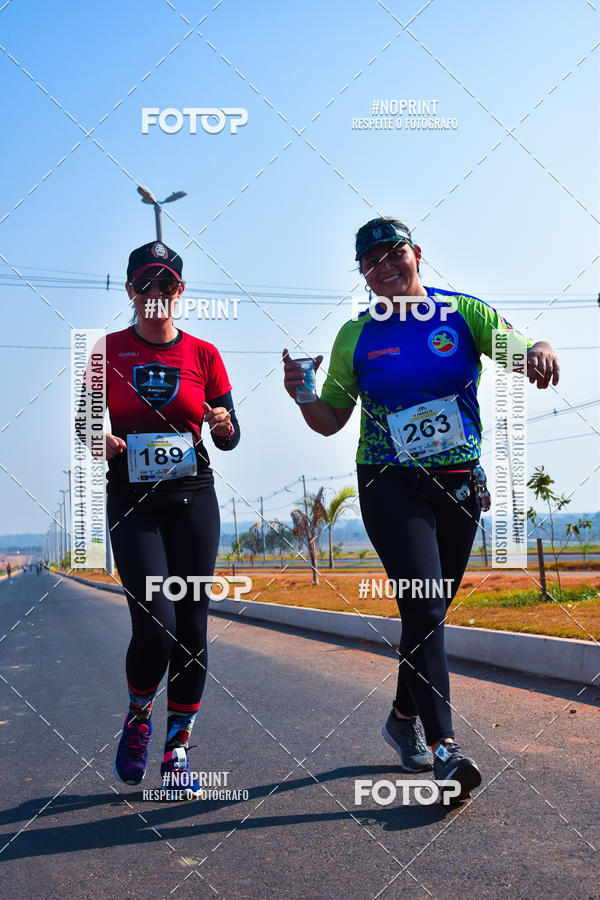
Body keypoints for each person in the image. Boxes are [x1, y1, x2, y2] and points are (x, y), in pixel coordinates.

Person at [283, 217, 559, 800]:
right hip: (389, 484)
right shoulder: (355, 336)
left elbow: (519, 349)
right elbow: (332, 420)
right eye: (371, 261)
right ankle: (446, 751)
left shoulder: (461, 313)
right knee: (425, 601)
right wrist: (305, 394)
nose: (384, 266)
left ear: (417, 255)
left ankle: (401, 718)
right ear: (362, 273)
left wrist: (539, 348)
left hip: (457, 484)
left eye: (394, 253)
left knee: (426, 615)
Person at [98, 240, 240, 798]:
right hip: (133, 502)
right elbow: (83, 428)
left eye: (165, 285)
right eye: (144, 285)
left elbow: (229, 436)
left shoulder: (205, 354)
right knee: (156, 623)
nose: (155, 295)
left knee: (193, 625)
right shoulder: (104, 351)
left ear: (180, 291)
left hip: (193, 498)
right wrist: (99, 439)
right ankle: (138, 716)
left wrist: (224, 425)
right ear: (130, 290)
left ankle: (177, 748)